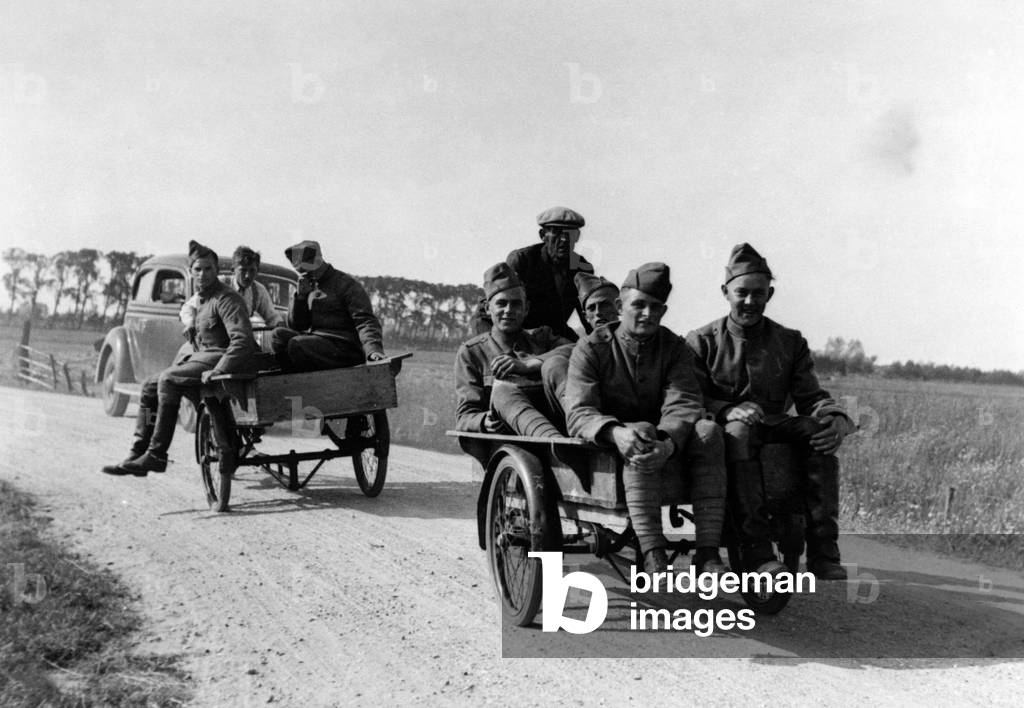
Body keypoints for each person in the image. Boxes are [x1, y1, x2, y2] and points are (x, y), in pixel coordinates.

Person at [685, 243, 856, 580]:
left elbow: (811, 395)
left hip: (775, 424)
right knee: (739, 432)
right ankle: (756, 546)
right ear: (725, 292)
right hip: (726, 433)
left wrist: (835, 417)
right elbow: (688, 399)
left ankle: (824, 548)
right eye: (741, 293)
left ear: (770, 294)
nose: (750, 302)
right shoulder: (701, 341)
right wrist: (727, 410)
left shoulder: (789, 341)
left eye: (758, 294)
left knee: (817, 430)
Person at [565, 262, 728, 575]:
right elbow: (579, 411)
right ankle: (653, 551)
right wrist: (615, 432)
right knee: (640, 430)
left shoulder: (675, 348)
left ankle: (707, 552)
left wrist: (667, 443)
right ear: (620, 306)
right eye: (638, 305)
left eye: (655, 308)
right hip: (612, 448)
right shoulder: (591, 348)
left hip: (664, 445)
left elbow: (684, 401)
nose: (647, 314)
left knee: (708, 430)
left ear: (663, 311)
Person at [102, 241, 256, 476]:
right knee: (149, 387)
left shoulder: (226, 299)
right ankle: (137, 452)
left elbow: (242, 341)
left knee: (168, 379)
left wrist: (219, 369)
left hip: (221, 358)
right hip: (204, 356)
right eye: (197, 269)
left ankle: (156, 455)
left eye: (208, 269)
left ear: (216, 271)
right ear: (192, 272)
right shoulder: (201, 300)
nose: (202, 274)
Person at [497, 271, 621, 437]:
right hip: (587, 423)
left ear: (620, 306)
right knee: (554, 365)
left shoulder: (639, 340)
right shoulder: (585, 348)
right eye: (591, 308)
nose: (598, 313)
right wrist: (529, 364)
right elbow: (569, 350)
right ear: (585, 316)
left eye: (605, 304)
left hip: (631, 422)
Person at [454, 263, 572, 434]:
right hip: (509, 439)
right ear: (488, 308)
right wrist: (483, 420)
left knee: (557, 364)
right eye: (501, 304)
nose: (508, 311)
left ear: (526, 309)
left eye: (516, 304)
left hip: (560, 426)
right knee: (502, 392)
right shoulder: (472, 353)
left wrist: (529, 364)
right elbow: (465, 416)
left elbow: (578, 350)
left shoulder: (542, 338)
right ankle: (557, 445)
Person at [271, 240, 386, 371]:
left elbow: (365, 321)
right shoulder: (308, 285)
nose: (305, 275)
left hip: (344, 348)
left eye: (308, 270)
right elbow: (297, 326)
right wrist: (301, 298)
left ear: (319, 263)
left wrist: (374, 351)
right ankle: (289, 380)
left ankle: (304, 381)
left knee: (297, 345)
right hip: (315, 344)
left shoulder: (346, 284)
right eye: (301, 272)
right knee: (278, 336)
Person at [180, 245, 283, 343]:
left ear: (257, 271)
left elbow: (272, 316)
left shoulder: (258, 290)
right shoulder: (218, 284)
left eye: (252, 270)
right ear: (233, 270)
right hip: (213, 340)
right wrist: (190, 323)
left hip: (239, 340)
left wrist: (280, 327)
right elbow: (188, 307)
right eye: (243, 270)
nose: (247, 276)